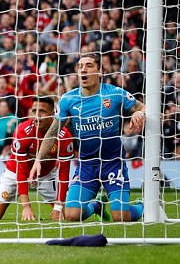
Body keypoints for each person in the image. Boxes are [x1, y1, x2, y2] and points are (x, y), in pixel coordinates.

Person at [29, 53, 146, 222]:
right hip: (86, 165)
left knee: (121, 217)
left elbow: (143, 106)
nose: (83, 70)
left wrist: (138, 113)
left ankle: (143, 206)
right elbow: (53, 132)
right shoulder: (68, 99)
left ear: (100, 71)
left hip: (113, 164)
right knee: (70, 215)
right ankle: (96, 206)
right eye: (80, 66)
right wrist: (38, 159)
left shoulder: (114, 94)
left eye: (89, 65)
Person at [0, 97, 74, 221]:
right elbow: (21, 170)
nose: (37, 116)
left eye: (42, 111)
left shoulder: (64, 136)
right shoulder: (23, 131)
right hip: (15, 172)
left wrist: (58, 207)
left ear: (52, 114)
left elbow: (63, 172)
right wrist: (26, 206)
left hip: (46, 174)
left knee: (69, 215)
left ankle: (94, 206)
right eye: (34, 111)